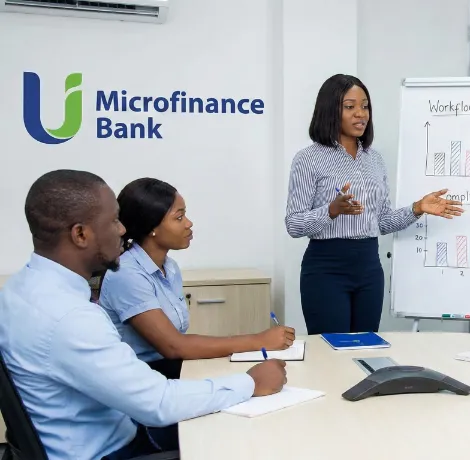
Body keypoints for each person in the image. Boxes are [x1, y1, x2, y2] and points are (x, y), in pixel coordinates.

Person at [0, 170, 287, 460]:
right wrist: (250, 382)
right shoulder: (70, 317)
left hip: (101, 428)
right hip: (113, 450)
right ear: (81, 234)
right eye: (113, 221)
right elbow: (158, 403)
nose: (123, 230)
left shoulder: (17, 291)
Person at [285, 74, 464, 335]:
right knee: (332, 355)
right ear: (330, 110)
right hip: (326, 269)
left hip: (369, 268)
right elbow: (294, 224)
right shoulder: (308, 159)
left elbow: (381, 222)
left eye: (365, 106)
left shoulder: (374, 160)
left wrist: (417, 208)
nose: (361, 114)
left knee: (365, 349)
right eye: (350, 107)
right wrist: (331, 210)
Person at [98, 178, 295, 379]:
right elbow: (173, 345)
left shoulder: (170, 267)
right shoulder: (126, 274)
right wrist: (258, 340)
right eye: (179, 217)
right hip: (142, 377)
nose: (189, 223)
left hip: (171, 367)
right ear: (152, 228)